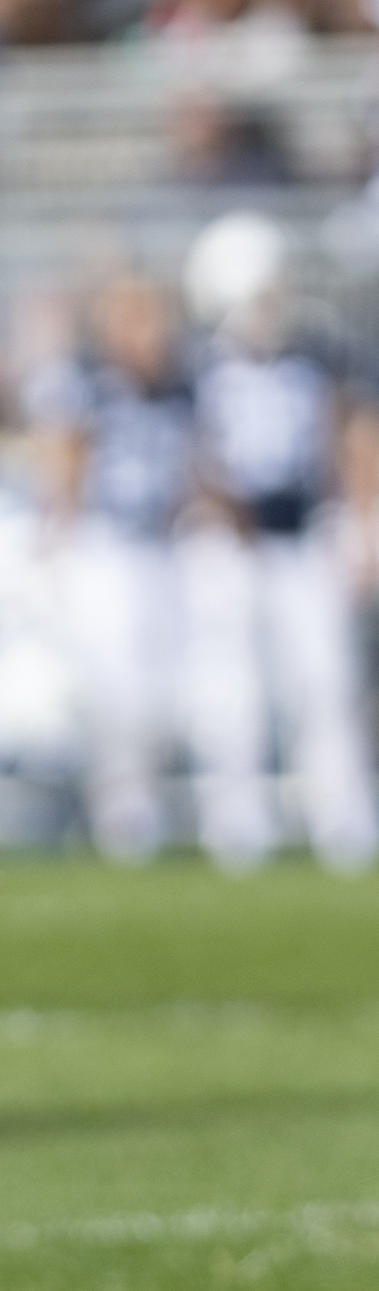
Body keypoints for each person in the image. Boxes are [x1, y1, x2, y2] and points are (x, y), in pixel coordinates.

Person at [175, 213, 377, 872]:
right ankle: (235, 824)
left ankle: (341, 818)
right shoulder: (198, 366)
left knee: (324, 682)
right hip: (227, 544)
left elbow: (340, 436)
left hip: (300, 534)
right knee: (230, 689)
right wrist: (219, 509)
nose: (276, 302)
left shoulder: (313, 358)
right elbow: (189, 452)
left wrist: (356, 518)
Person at [33, 272, 201, 863]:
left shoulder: (181, 390)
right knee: (114, 688)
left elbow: (197, 472)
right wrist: (60, 548)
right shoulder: (88, 386)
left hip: (161, 547)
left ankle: (141, 802)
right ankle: (122, 814)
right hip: (105, 547)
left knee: (162, 693)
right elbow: (65, 468)